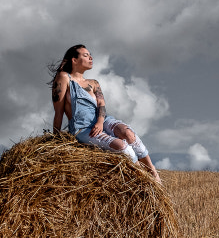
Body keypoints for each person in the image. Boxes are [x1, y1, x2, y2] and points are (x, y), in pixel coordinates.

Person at [50, 44, 162, 183]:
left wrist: (100, 122)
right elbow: (59, 112)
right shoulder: (64, 78)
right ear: (74, 60)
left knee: (128, 134)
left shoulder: (94, 83)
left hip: (102, 120)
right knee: (122, 147)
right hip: (82, 127)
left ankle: (153, 172)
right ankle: (144, 180)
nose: (91, 57)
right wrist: (55, 143)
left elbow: (102, 105)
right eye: (85, 55)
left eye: (90, 55)